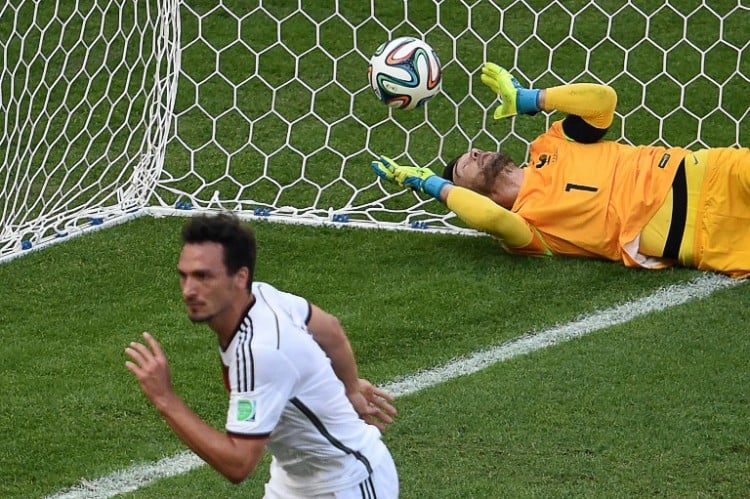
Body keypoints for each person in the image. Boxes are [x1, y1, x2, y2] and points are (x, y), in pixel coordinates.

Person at [371, 62, 750, 279]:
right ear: (468, 192)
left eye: (472, 151)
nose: (473, 152)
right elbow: (491, 219)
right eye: (462, 165)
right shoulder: (528, 229)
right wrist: (432, 184)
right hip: (702, 242)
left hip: (715, 173)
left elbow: (603, 101)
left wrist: (530, 99)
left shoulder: (551, 144)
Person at [124, 213, 399, 498]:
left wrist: (164, 398)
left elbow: (238, 464)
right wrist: (351, 389)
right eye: (184, 275)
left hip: (348, 482)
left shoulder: (260, 353)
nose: (189, 290)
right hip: (295, 481)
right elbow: (329, 328)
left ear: (239, 277)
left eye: (204, 276)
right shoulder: (263, 295)